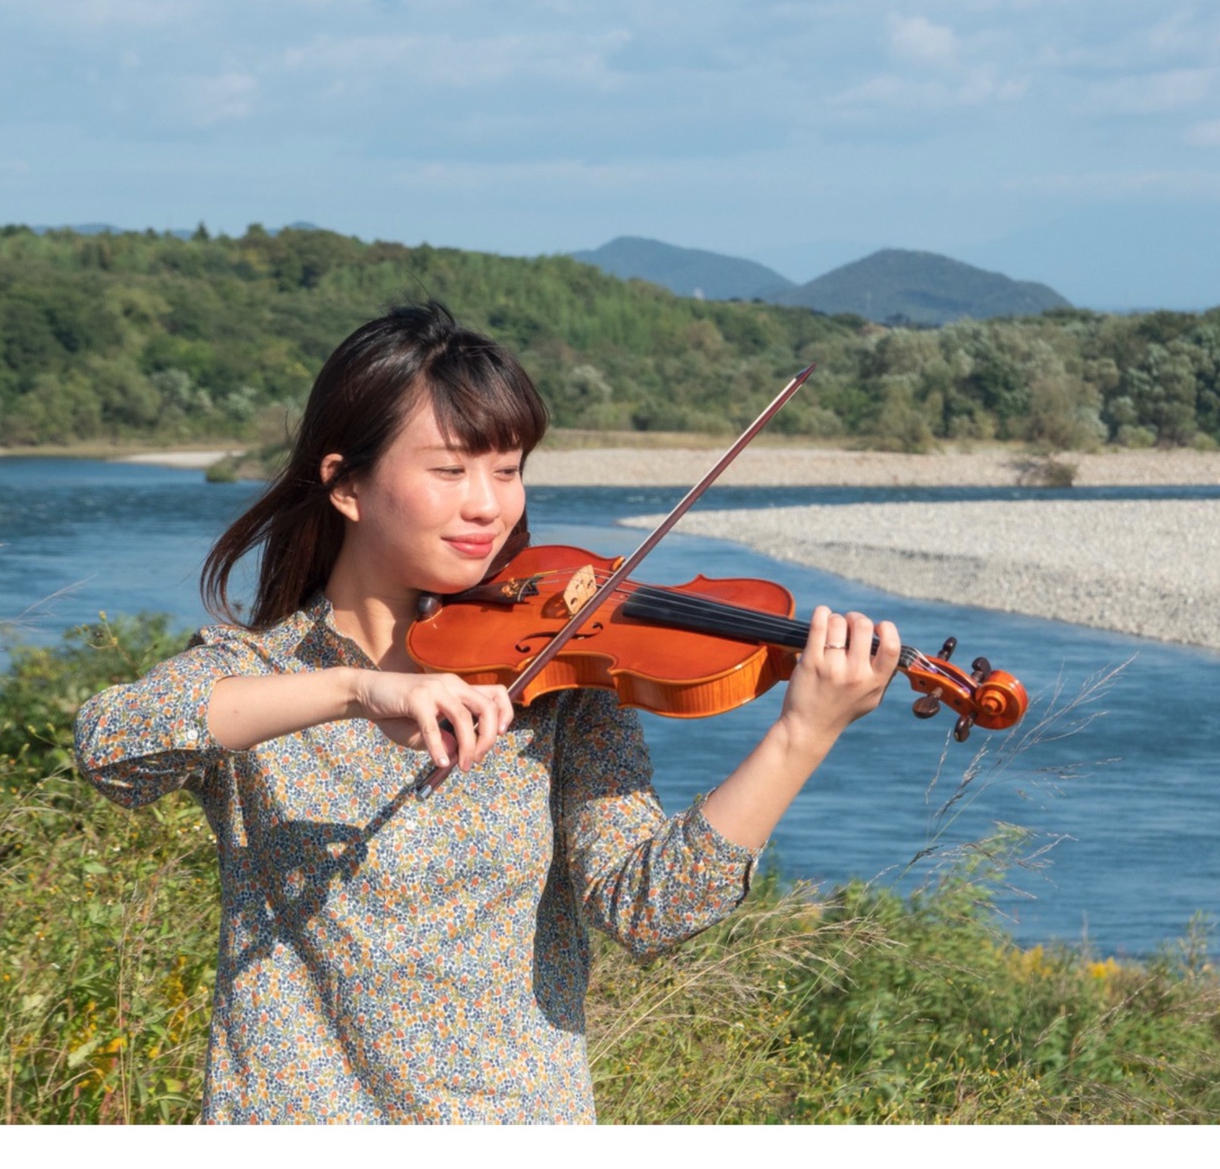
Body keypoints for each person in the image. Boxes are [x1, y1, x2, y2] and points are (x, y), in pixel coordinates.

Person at [73, 301, 901, 1123]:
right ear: (347, 484)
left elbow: (650, 910)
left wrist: (803, 734)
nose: (489, 506)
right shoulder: (261, 677)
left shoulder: (554, 685)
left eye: (506, 470)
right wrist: (356, 693)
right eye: (450, 470)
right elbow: (112, 747)